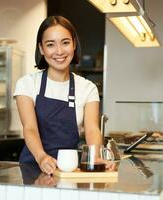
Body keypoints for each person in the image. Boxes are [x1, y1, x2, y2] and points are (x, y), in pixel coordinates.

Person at [14, 15, 102, 175]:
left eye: (65, 42)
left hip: (68, 169)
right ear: (41, 48)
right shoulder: (26, 84)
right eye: (50, 44)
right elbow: (30, 128)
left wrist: (95, 157)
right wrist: (42, 157)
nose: (59, 51)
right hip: (33, 168)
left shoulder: (87, 88)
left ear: (74, 44)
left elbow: (92, 129)